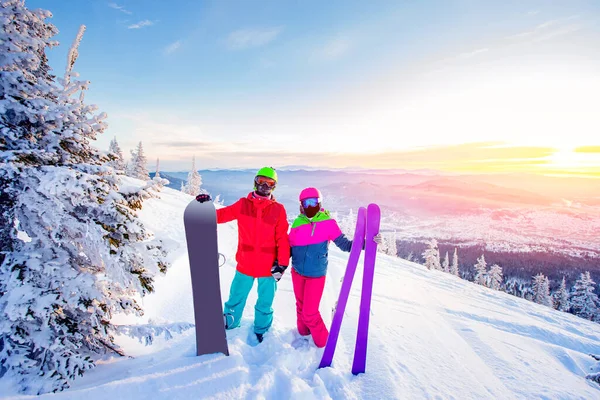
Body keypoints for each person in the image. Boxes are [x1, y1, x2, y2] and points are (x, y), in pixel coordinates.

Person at [196, 167, 290, 343]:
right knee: (236, 298)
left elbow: (283, 239)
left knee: (265, 302)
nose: (264, 186)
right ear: (255, 182)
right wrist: (205, 207)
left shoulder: (278, 210)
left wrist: (282, 264)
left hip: (268, 267)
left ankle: (262, 330)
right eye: (261, 181)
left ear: (274, 187)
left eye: (269, 183)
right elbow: (221, 216)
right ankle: (230, 323)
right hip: (245, 264)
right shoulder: (243, 205)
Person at [288, 187, 381, 347]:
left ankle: (324, 343)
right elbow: (288, 248)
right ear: (301, 205)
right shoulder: (297, 223)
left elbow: (345, 245)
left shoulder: (328, 223)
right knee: (300, 307)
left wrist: (368, 243)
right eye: (306, 202)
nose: (310, 206)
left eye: (313, 202)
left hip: (316, 274)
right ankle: (303, 335)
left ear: (319, 203)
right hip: (297, 272)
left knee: (310, 313)